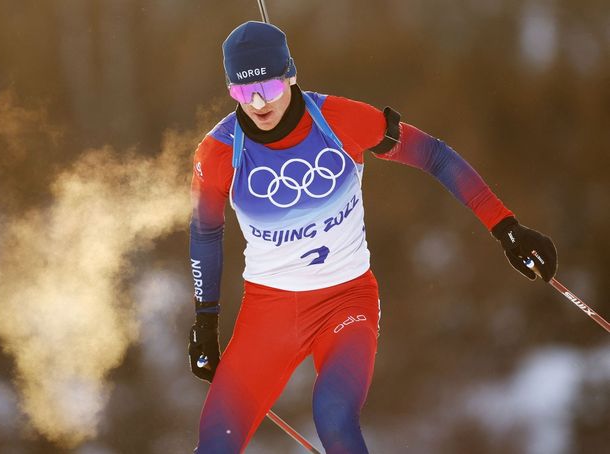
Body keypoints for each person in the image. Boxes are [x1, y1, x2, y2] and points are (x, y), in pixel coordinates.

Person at [187, 21, 557, 453]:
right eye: (241, 92)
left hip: (346, 301)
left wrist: (506, 227)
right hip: (269, 311)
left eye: (266, 88)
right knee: (214, 443)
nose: (256, 104)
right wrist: (205, 323)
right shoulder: (217, 153)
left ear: (289, 74)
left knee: (334, 417)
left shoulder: (340, 120)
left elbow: (434, 156)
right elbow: (206, 234)